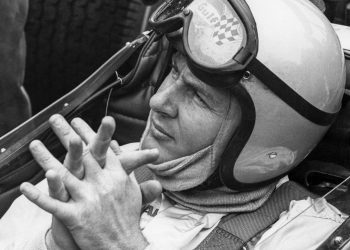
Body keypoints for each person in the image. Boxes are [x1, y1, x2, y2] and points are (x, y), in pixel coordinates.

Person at [0, 0, 348, 249]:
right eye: (173, 72)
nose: (159, 101)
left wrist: (119, 244)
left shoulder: (311, 236)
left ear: (265, 137)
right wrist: (55, 245)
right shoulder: (94, 170)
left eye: (197, 97)